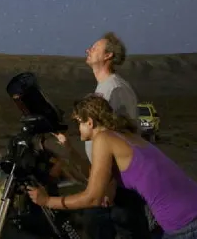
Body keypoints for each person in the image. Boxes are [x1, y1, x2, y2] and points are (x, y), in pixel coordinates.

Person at [28, 94, 197, 239]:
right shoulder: (123, 135)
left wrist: (47, 201)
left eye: (79, 122)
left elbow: (93, 197)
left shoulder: (103, 138)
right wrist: (69, 149)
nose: (78, 127)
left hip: (193, 227)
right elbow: (95, 177)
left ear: (90, 121)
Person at [83, 32, 148, 238]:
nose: (88, 50)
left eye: (95, 48)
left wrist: (109, 182)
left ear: (108, 55)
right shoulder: (104, 87)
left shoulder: (116, 89)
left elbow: (122, 134)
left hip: (118, 184)